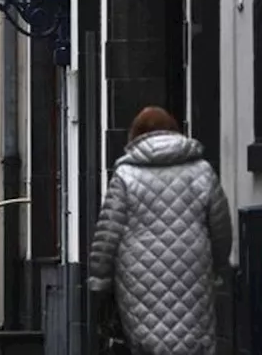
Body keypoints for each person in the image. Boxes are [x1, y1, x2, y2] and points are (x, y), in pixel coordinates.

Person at [87, 106, 232, 355]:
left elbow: (107, 236)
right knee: (192, 341)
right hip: (193, 276)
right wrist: (218, 267)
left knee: (148, 342)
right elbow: (221, 229)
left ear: (135, 136)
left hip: (139, 281)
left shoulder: (125, 176)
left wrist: (100, 281)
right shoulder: (203, 172)